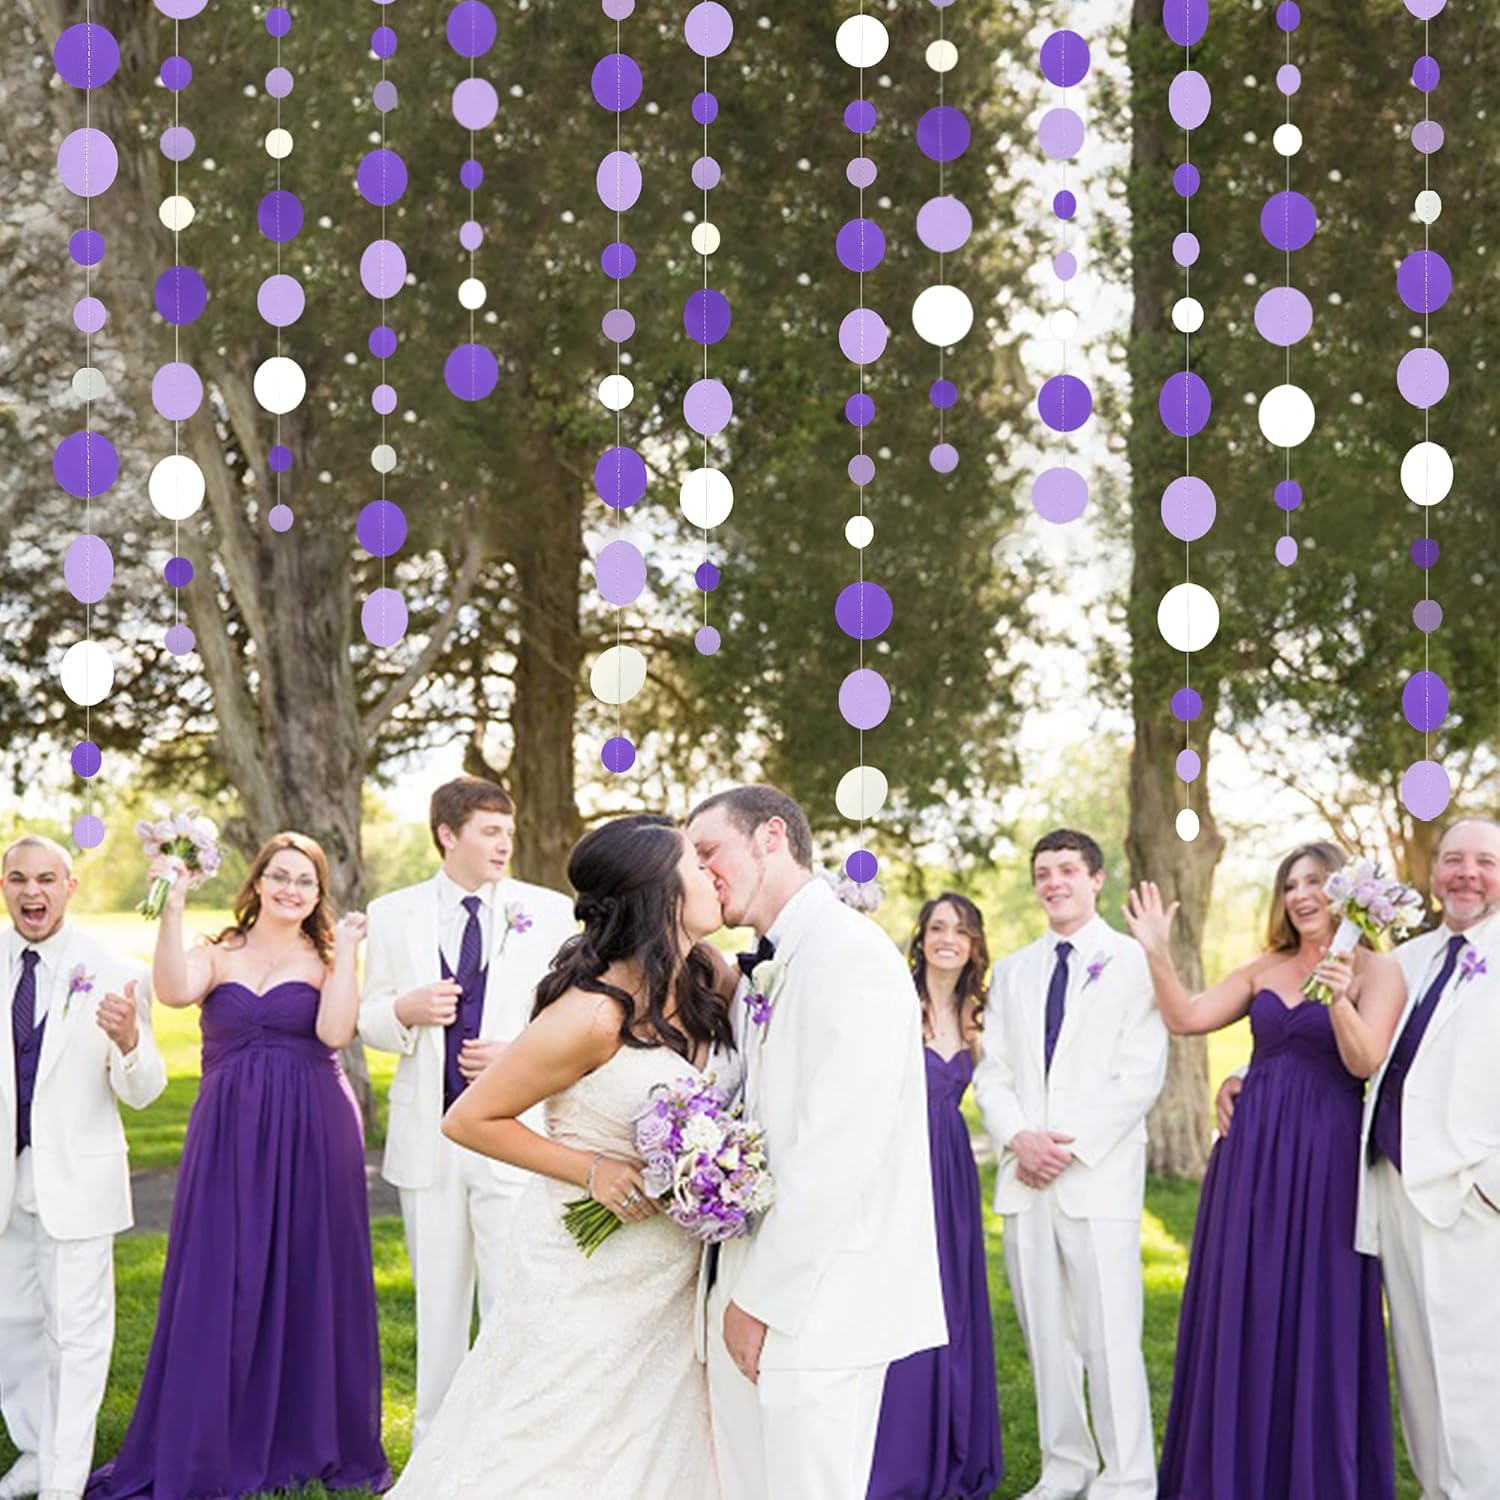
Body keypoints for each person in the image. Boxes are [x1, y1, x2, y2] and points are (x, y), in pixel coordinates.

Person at [385, 814, 738, 1499]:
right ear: (662, 892)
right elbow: (470, 1119)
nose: (712, 873)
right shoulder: (592, 1013)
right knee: (546, 1444)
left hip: (666, 1279)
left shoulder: (708, 978)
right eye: (696, 864)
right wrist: (593, 1170)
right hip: (586, 1269)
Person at [87, 833, 390, 1500]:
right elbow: (172, 991)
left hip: (314, 1129)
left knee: (310, 1272)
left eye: (305, 881)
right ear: (256, 883)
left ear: (318, 893)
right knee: (220, 1272)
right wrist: (172, 904)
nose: (290, 889)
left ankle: (304, 1435)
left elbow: (335, 1033)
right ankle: (209, 1433)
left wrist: (348, 954)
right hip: (227, 1130)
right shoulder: (218, 952)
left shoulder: (328, 958)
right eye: (279, 876)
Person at [687, 786, 947, 1500]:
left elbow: (838, 1155)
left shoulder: (852, 955)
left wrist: (758, 1303)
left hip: (821, 1306)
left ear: (771, 837)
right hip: (746, 1289)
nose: (701, 872)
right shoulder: (764, 964)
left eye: (709, 852)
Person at [1126, 841, 1403, 1500]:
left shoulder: (1379, 972)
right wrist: (1156, 951)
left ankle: (1309, 1475)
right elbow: (1186, 1017)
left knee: (1317, 1308)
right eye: (1290, 885)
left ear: (1347, 894)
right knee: (1242, 1302)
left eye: (1315, 882)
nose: (1301, 895)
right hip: (1249, 1160)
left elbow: (1364, 1063)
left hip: (1326, 1162)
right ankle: (1232, 1471)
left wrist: (1339, 996)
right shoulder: (1263, 969)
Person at [357, 777, 576, 1447]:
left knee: (512, 1302)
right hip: (428, 1140)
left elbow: (567, 1017)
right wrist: (403, 1011)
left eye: (508, 832)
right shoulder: (392, 913)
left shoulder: (550, 911)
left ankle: (508, 1449)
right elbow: (367, 1015)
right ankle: (434, 1451)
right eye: (489, 831)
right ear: (447, 835)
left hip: (511, 1136)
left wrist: (518, 1054)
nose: (504, 844)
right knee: (439, 1307)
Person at [973, 829, 1165, 1500]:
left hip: (1097, 1176)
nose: (1053, 882)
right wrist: (1018, 1137)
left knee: (1111, 1335)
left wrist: (1067, 1147)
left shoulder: (1132, 960)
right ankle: (1066, 1466)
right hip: (1024, 1179)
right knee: (1046, 1336)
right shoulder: (1015, 970)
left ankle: (1128, 1478)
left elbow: (1141, 1073)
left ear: (1096, 880)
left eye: (1066, 870)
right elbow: (992, 1072)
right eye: (1043, 873)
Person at [0, 835, 166, 1500]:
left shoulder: (115, 968)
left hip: (77, 1183)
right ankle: (36, 1453)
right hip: (5, 1184)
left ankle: (63, 1484)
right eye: (18, 879)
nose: (32, 891)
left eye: (46, 879)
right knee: (13, 1330)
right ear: (4, 888)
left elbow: (145, 1090)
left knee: (77, 1338)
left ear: (69, 887)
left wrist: (129, 1041)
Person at [1354, 817, 1500, 1500]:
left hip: (1471, 1197)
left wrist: (1489, 1184)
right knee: (1418, 1376)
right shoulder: (1406, 960)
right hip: (1392, 1187)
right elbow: (1352, 1048)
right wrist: (1242, 1078)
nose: (1467, 873)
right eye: (1454, 860)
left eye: (1485, 861)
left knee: (1474, 1377)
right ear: (1434, 871)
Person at [867, 892, 1004, 1500]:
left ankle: (954, 1441)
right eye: (938, 928)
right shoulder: (897, 1001)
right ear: (921, 939)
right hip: (900, 1163)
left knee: (951, 1301)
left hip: (951, 1167)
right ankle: (898, 1453)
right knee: (900, 1295)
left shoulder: (980, 1015)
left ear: (974, 946)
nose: (949, 939)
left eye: (962, 930)